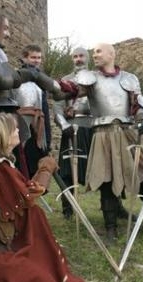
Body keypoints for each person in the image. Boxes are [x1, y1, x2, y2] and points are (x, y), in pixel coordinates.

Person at [0, 112, 85, 282]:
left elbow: (22, 192)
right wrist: (46, 169)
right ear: (4, 135)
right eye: (14, 128)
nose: (17, 131)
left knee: (39, 277)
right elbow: (28, 197)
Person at [60, 43, 143, 243]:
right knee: (106, 180)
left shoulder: (129, 78)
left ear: (111, 54)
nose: (94, 55)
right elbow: (68, 91)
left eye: (98, 51)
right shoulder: (90, 78)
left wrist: (142, 120)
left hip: (127, 133)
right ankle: (110, 229)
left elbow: (139, 103)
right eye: (93, 51)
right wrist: (45, 81)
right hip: (103, 134)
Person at [0, 10, 64, 179]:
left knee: (5, 171)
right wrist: (33, 75)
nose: (8, 34)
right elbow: (2, 79)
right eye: (5, 28)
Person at [53, 47, 93, 219]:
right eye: (75, 56)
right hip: (72, 130)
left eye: (81, 56)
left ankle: (114, 208)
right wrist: (63, 125)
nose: (78, 59)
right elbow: (57, 106)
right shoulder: (65, 81)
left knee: (103, 167)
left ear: (88, 58)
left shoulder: (97, 79)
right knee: (67, 171)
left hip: (94, 128)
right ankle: (68, 208)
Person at [14, 44, 52, 178]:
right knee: (21, 166)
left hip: (39, 127)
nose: (36, 60)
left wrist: (48, 138)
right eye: (33, 57)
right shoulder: (17, 77)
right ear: (24, 58)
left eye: (39, 58)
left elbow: (45, 112)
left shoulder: (42, 80)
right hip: (21, 127)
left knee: (36, 169)